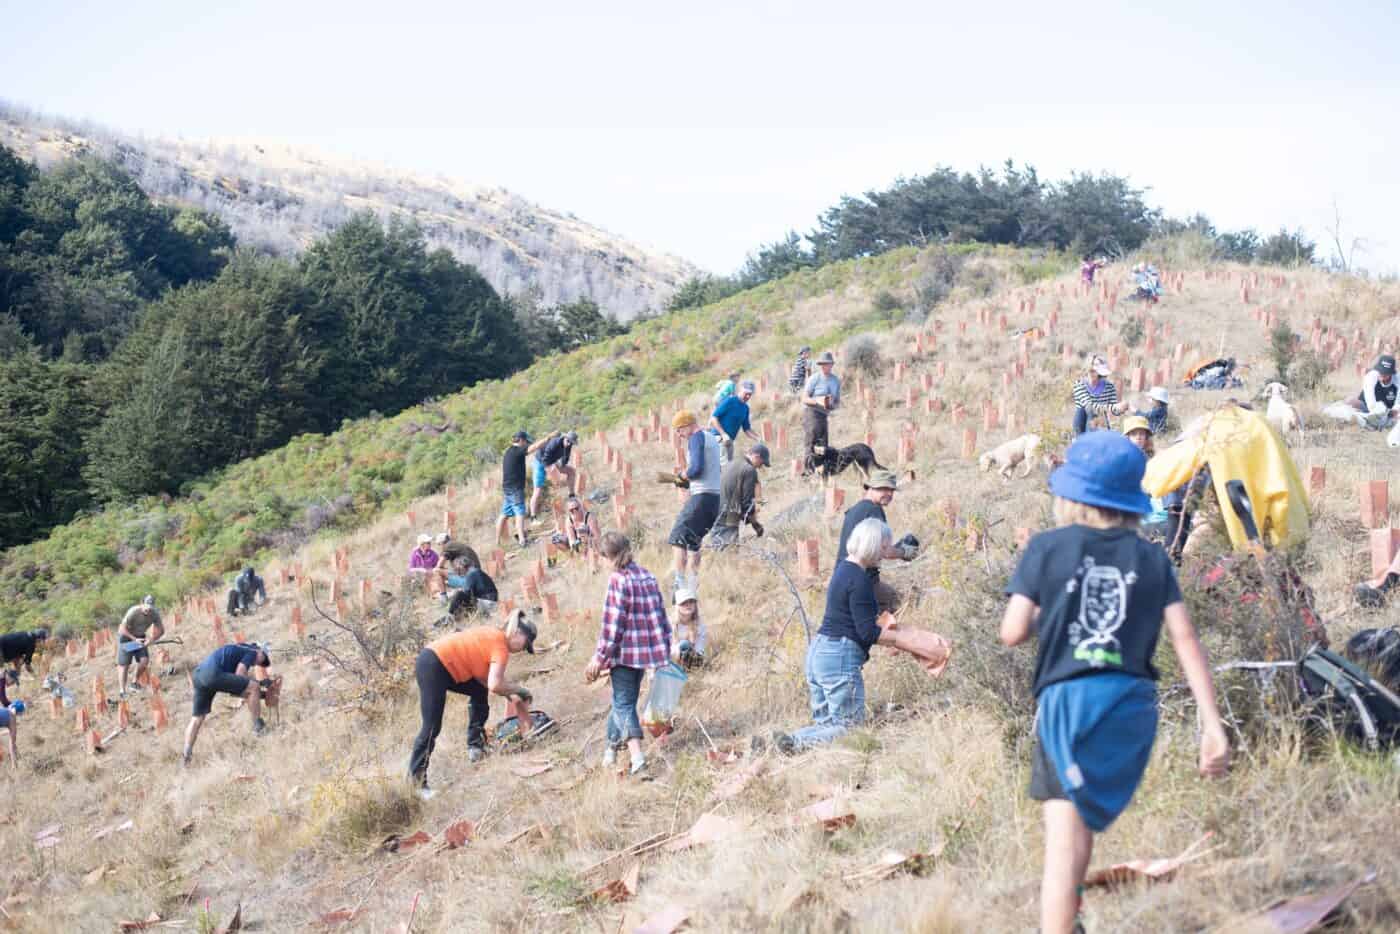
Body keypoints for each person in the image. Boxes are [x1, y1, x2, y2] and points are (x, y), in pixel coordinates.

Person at [997, 431, 1229, 934]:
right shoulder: (1153, 558)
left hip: (1069, 705)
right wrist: (1212, 725)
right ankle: (1074, 917)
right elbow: (1186, 639)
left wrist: (1057, 615)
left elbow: (1012, 631)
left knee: (1061, 840)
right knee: (1081, 822)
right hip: (1131, 709)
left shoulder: (1047, 547)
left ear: (1071, 496)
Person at [770, 518, 899, 753]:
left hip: (819, 653)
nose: (886, 552)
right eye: (884, 546)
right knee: (849, 727)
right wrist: (902, 640)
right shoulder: (859, 579)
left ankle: (787, 741)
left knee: (828, 724)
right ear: (872, 544)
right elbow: (867, 631)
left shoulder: (843, 569)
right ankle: (796, 742)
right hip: (838, 656)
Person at [408, 614, 536, 793]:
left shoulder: (492, 635)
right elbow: (495, 684)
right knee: (431, 727)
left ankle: (476, 747)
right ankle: (416, 785)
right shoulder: (501, 647)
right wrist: (520, 691)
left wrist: (513, 695)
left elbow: (484, 680)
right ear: (517, 633)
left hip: (436, 661)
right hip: (435, 664)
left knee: (478, 691)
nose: (523, 649)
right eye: (526, 644)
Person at [584, 532, 671, 776]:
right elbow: (661, 617)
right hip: (644, 655)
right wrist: (662, 652)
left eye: (600, 558)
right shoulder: (647, 576)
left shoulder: (618, 580)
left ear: (606, 556)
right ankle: (611, 750)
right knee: (624, 702)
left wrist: (599, 658)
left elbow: (613, 626)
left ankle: (637, 758)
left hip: (623, 655)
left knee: (623, 704)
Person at [835, 471, 914, 613]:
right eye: (884, 489)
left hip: (842, 576)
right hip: (862, 580)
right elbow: (885, 552)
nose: (889, 494)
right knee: (901, 602)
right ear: (871, 487)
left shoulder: (856, 509)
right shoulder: (874, 510)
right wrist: (906, 552)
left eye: (891, 490)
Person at [182, 642, 273, 764]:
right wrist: (260, 684)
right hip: (213, 674)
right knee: (254, 687)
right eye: (262, 660)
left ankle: (186, 755)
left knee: (197, 718)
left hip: (198, 676)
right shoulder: (252, 651)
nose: (257, 664)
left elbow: (237, 691)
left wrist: (260, 695)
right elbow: (240, 674)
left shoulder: (236, 651)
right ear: (261, 651)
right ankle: (259, 728)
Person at [667, 410, 722, 592]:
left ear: (689, 425)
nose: (679, 434)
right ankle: (692, 586)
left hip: (701, 497)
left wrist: (683, 475)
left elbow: (697, 469)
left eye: (679, 429)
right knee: (693, 543)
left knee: (677, 538)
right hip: (714, 500)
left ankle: (680, 585)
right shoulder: (711, 438)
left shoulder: (696, 438)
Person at [496, 430, 552, 546]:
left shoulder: (508, 451)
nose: (526, 444)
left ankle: (497, 541)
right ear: (521, 440)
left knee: (504, 514)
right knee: (520, 513)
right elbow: (534, 447)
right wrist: (548, 437)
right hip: (515, 488)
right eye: (526, 442)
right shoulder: (518, 451)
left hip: (507, 487)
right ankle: (522, 541)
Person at [711, 443, 770, 546]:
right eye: (762, 463)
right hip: (729, 514)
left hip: (715, 508)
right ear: (757, 456)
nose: (761, 466)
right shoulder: (749, 470)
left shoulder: (732, 463)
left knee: (718, 547)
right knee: (729, 550)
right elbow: (747, 504)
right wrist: (756, 525)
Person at [1322, 354, 1399, 430]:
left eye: (1385, 373)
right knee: (1350, 401)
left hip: (1389, 411)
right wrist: (1374, 413)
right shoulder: (1371, 377)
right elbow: (1370, 402)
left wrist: (1389, 413)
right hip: (1368, 406)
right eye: (1380, 371)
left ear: (1391, 373)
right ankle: (1330, 409)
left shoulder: (1397, 380)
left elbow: (1397, 404)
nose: (1382, 374)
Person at [116, 595, 164, 698]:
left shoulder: (154, 613)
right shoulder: (133, 611)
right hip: (126, 637)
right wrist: (134, 639)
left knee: (144, 661)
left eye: (150, 608)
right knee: (124, 665)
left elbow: (161, 630)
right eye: (146, 607)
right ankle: (122, 691)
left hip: (140, 637)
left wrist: (151, 640)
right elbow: (121, 629)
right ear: (141, 603)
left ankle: (134, 682)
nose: (148, 610)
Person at [801, 351, 841, 474]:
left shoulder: (835, 380)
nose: (824, 366)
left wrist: (832, 405)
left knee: (823, 444)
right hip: (812, 413)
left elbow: (837, 401)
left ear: (831, 365)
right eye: (822, 364)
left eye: (827, 364)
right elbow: (804, 398)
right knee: (811, 442)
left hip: (824, 415)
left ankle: (822, 471)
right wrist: (818, 401)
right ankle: (808, 471)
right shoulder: (814, 378)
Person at [1071, 355, 1128, 436]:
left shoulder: (1109, 387)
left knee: (1098, 417)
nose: (1092, 373)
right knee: (1087, 410)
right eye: (1091, 370)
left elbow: (1114, 410)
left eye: (1095, 371)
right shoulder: (1079, 385)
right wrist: (1115, 407)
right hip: (1082, 424)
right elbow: (1089, 405)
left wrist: (1122, 407)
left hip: (1101, 422)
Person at [708, 380, 760, 465]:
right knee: (724, 467)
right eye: (746, 393)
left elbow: (746, 429)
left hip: (730, 441)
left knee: (729, 466)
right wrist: (723, 434)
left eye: (749, 394)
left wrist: (758, 438)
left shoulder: (745, 408)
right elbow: (714, 418)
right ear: (740, 390)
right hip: (719, 438)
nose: (747, 396)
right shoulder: (730, 401)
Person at [531, 430, 579, 518]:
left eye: (571, 443)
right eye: (568, 441)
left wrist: (562, 465)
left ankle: (571, 495)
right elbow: (545, 459)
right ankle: (533, 516)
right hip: (540, 462)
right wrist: (551, 471)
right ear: (565, 438)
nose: (569, 444)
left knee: (571, 471)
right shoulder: (554, 442)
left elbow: (566, 458)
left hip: (552, 461)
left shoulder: (568, 445)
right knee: (538, 489)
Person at [670, 587, 708, 669]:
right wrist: (677, 651)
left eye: (691, 602)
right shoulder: (669, 623)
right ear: (677, 606)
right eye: (683, 603)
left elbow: (700, 648)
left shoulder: (700, 625)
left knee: (686, 645)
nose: (688, 605)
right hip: (671, 659)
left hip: (692, 660)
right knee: (683, 644)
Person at [0, 701, 18, 772]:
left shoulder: (5, 710)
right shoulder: (12, 717)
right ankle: (13, 766)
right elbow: (12, 744)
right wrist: (14, 764)